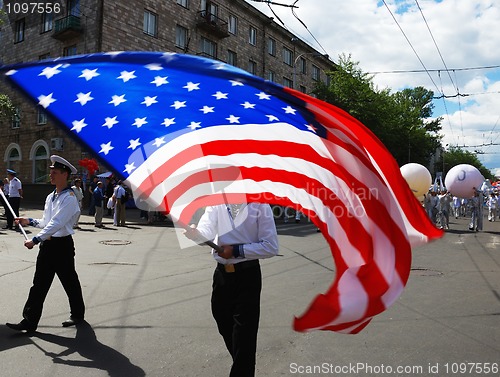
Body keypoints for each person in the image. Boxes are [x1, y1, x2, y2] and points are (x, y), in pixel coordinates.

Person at [184, 203, 279, 377]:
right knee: (222, 320)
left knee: (244, 335)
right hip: (222, 276)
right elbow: (207, 230)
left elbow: (271, 246)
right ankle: (243, 362)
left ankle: (243, 368)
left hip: (247, 275)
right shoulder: (216, 203)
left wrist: (237, 250)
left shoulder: (260, 206)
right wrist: (196, 234)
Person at [6, 155, 85, 333]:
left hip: (62, 246)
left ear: (65, 174)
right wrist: (29, 221)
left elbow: (56, 224)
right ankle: (29, 321)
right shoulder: (51, 196)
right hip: (48, 247)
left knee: (69, 281)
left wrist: (34, 240)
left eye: (54, 172)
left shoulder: (70, 198)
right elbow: (46, 221)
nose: (50, 175)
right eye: (50, 172)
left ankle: (78, 314)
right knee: (39, 284)